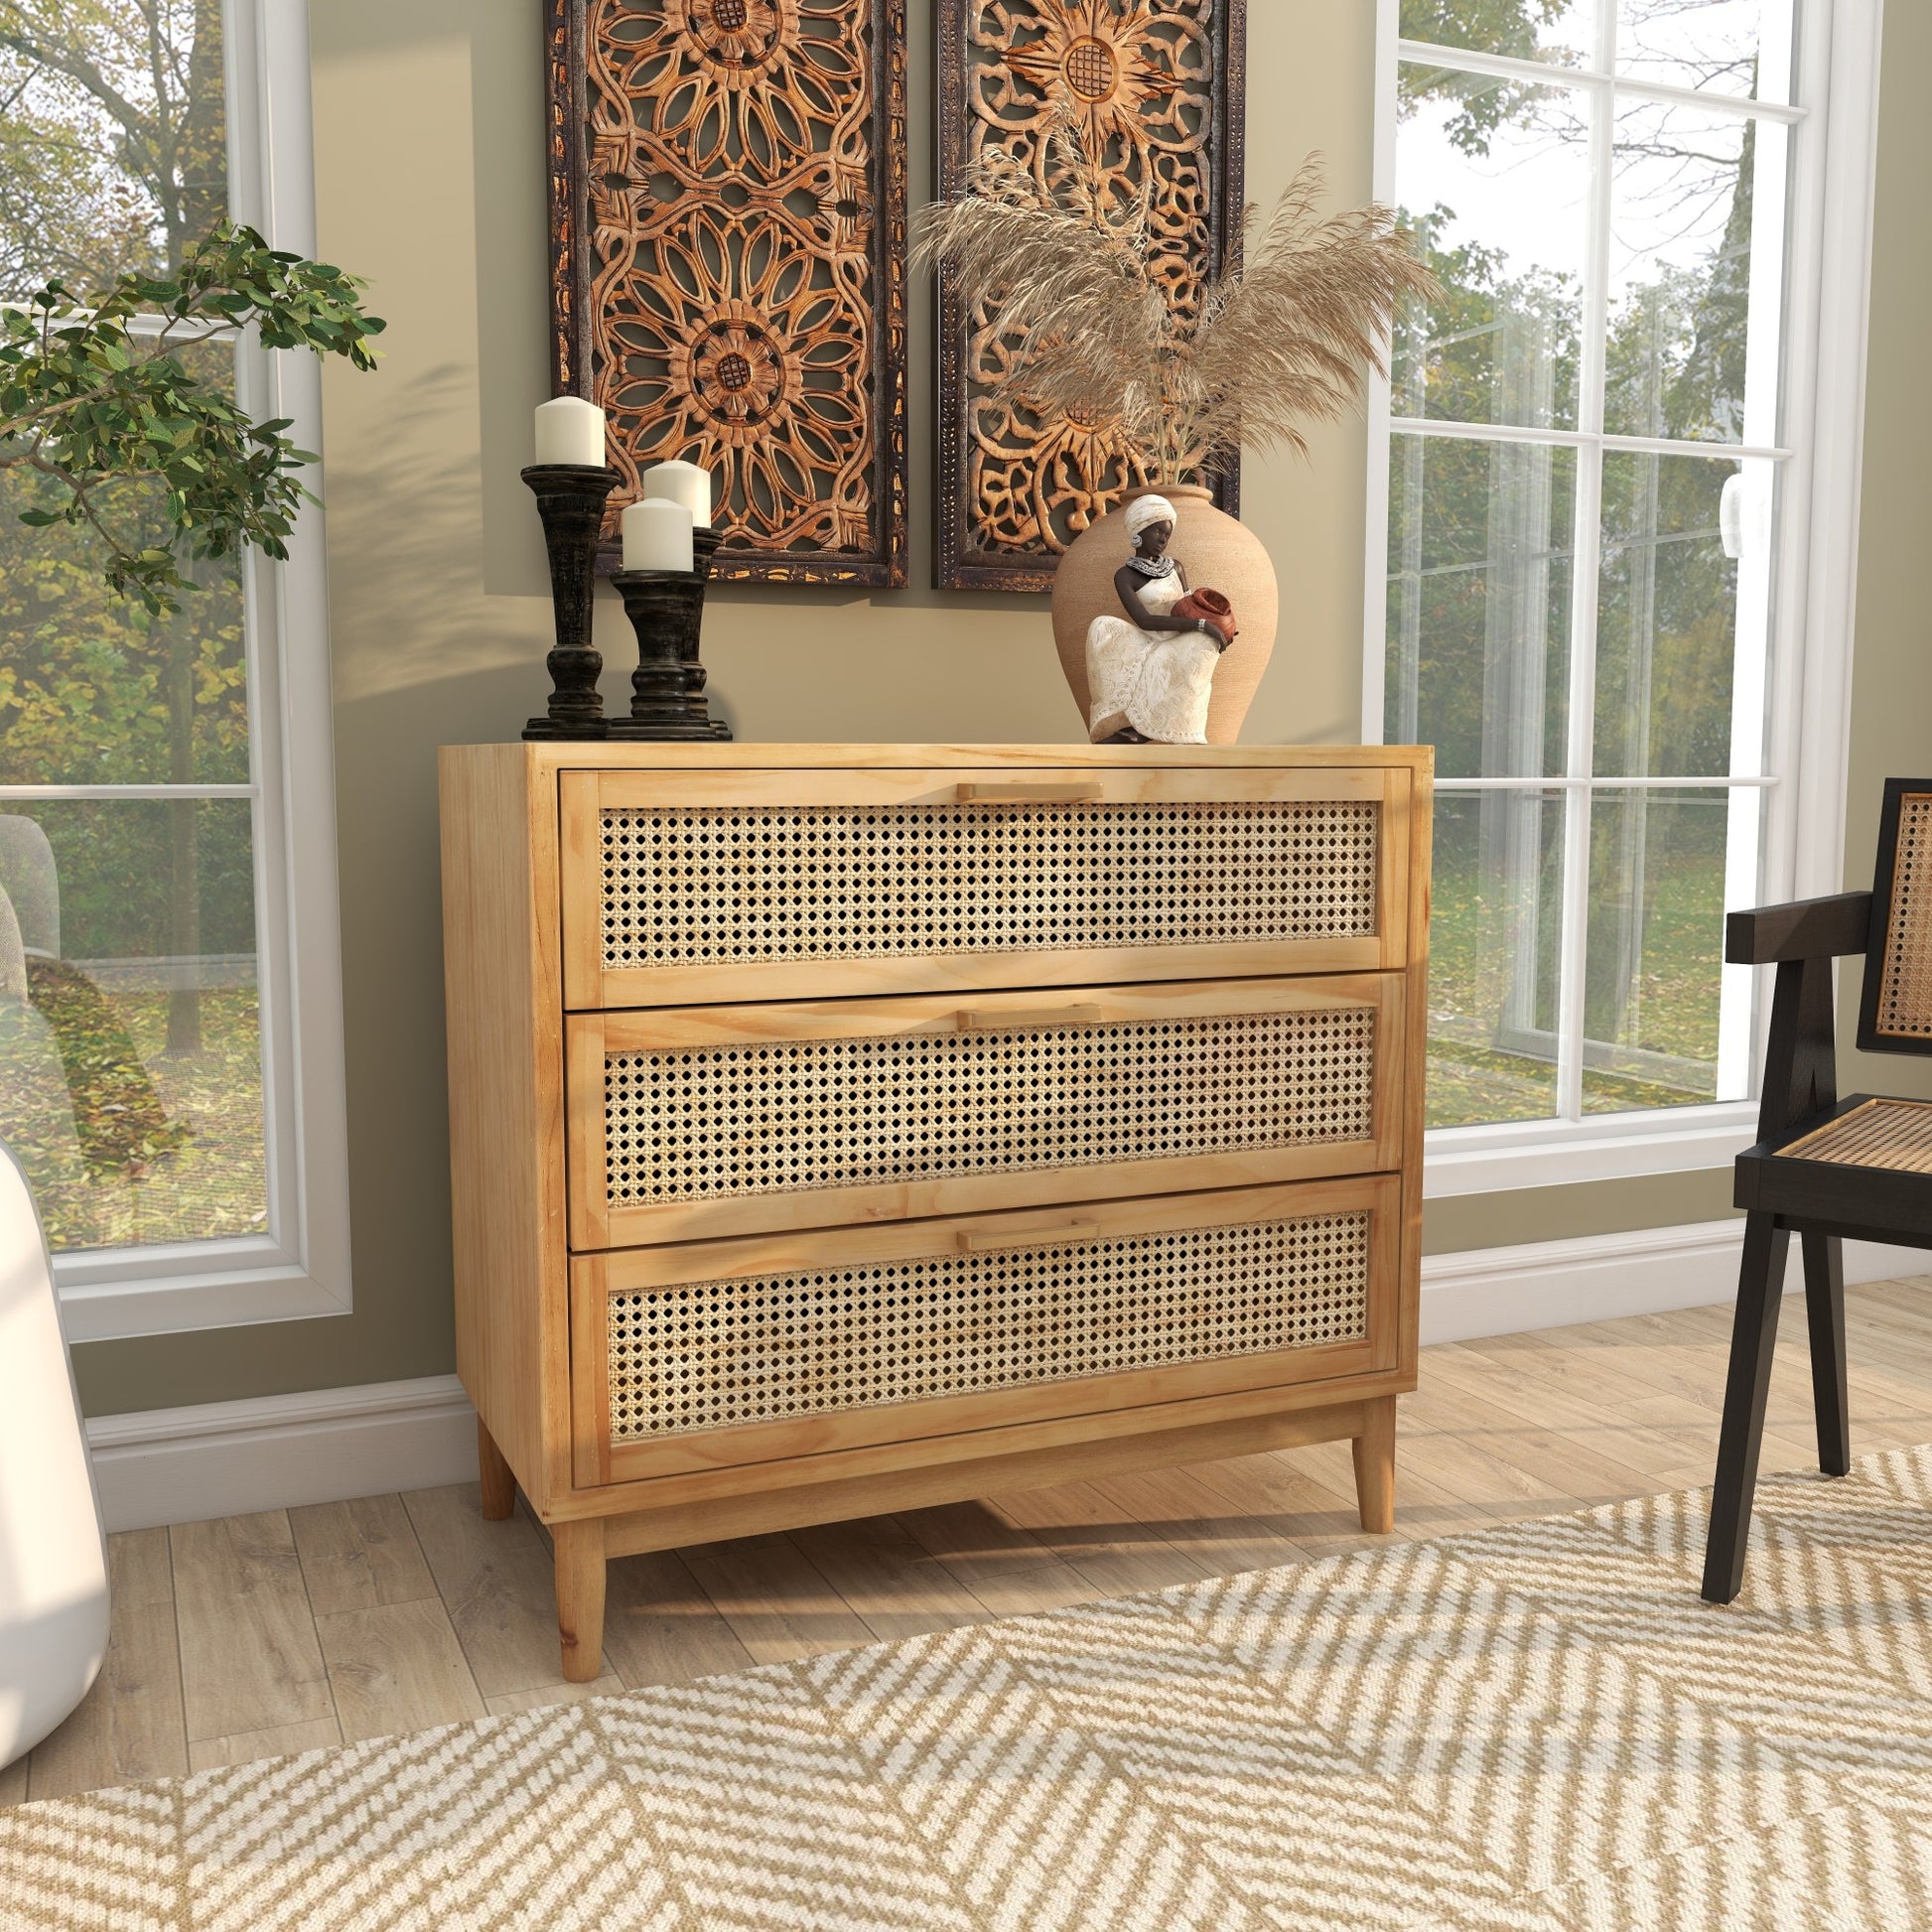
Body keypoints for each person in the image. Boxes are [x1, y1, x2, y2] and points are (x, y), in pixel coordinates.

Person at [1084, 494, 1232, 744]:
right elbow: (1144, 620)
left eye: (1167, 535)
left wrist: (1217, 625)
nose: (1163, 540)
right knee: (1101, 626)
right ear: (1139, 530)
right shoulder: (1125, 576)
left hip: (1181, 636)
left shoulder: (1176, 567)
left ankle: (1183, 731)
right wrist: (1201, 625)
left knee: (1205, 644)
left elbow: (1189, 607)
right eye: (1157, 532)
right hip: (1149, 640)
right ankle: (1141, 728)